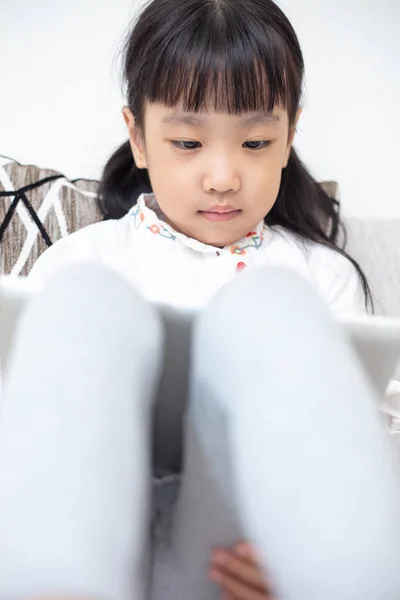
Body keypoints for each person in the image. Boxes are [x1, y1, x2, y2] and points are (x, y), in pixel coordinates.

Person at [6, 0, 399, 597]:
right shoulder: (81, 259)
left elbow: (357, 444)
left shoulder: (323, 277)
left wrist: (290, 567)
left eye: (256, 142)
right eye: (188, 143)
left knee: (273, 307)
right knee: (84, 303)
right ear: (138, 138)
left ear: (289, 136)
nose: (222, 176)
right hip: (92, 540)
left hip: (233, 557)